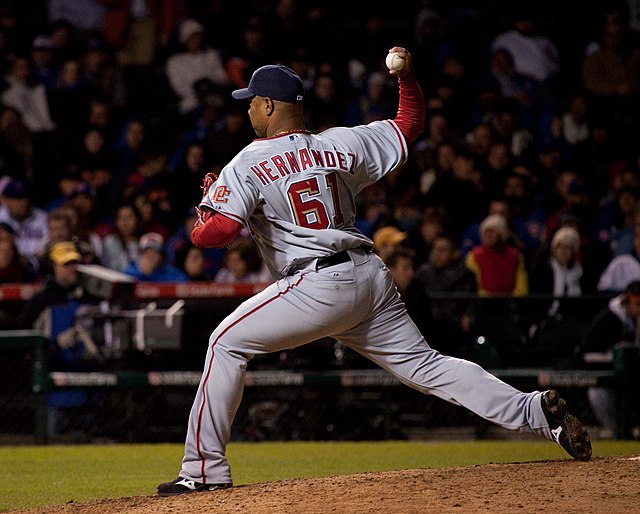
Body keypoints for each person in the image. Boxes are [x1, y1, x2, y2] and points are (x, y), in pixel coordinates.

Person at [157, 48, 591, 497]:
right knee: (427, 366)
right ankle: (536, 413)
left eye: (251, 99)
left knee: (224, 343)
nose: (247, 106)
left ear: (268, 106)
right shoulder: (339, 143)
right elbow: (409, 125)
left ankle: (204, 470)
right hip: (369, 278)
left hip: (316, 284)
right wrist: (408, 79)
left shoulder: (247, 161)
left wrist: (208, 209)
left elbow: (216, 234)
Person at [579, 280, 640, 437]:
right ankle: (617, 432)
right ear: (627, 300)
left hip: (633, 378)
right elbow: (589, 353)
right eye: (637, 303)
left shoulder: (635, 321)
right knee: (597, 392)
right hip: (609, 375)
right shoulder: (608, 319)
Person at [123, 232, 188, 282]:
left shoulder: (173, 274)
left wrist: (152, 274)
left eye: (155, 252)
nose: (150, 256)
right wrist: (144, 274)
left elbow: (184, 284)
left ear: (161, 256)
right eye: (146, 252)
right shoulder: (130, 272)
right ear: (140, 255)